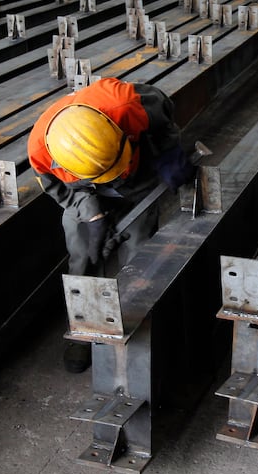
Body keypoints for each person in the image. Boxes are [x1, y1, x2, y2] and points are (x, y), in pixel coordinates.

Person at [27, 77, 196, 373]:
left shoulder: (128, 103)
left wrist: (170, 154)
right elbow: (60, 191)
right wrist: (93, 217)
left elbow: (164, 119)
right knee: (83, 254)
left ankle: (138, 325)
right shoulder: (41, 150)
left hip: (137, 180)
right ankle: (86, 328)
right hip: (85, 195)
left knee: (141, 252)